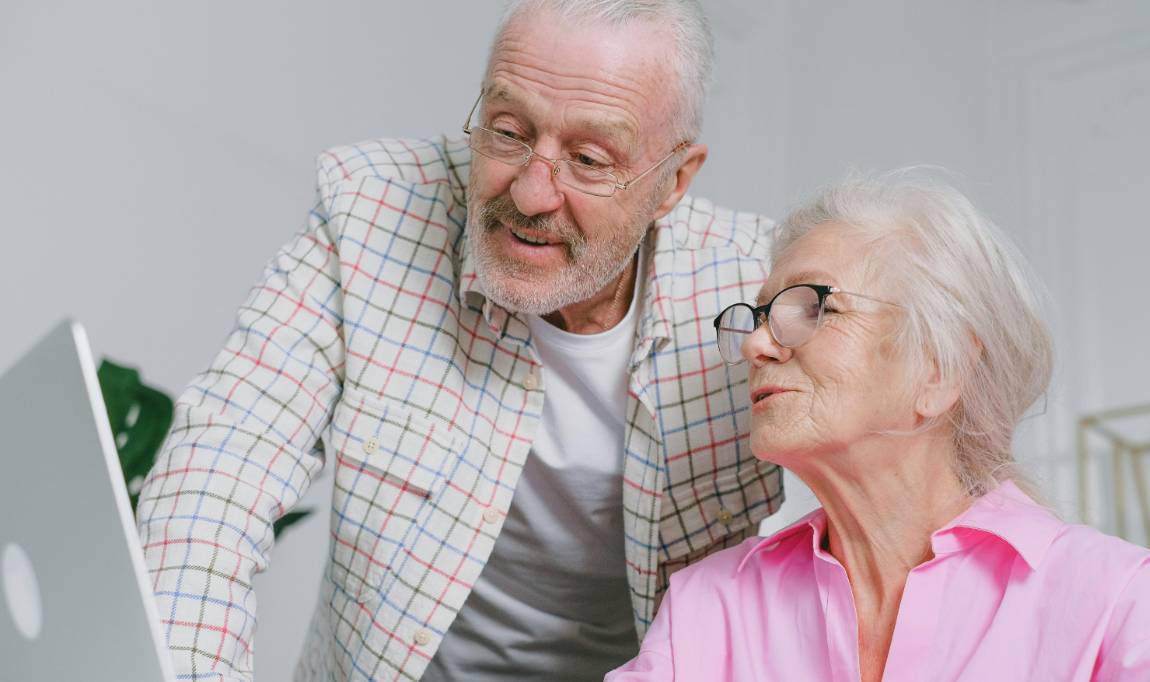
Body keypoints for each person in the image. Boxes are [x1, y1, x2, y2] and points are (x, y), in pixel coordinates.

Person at [134, 1, 784, 680]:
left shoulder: (754, 293)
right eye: (508, 131)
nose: (532, 193)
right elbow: (218, 474)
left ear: (674, 181)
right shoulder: (372, 211)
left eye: (589, 159)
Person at [607, 170, 1150, 681]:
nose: (756, 345)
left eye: (810, 307)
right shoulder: (707, 608)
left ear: (939, 369)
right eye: (758, 317)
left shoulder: (1108, 598)